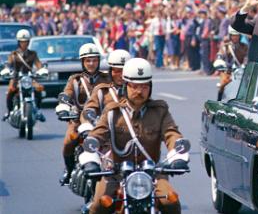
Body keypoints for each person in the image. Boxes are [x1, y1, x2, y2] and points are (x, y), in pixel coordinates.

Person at [80, 58, 189, 214]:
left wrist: (178, 156)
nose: (139, 91)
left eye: (144, 86)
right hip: (116, 174)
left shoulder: (160, 111)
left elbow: (172, 133)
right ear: (125, 86)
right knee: (99, 205)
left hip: (152, 175)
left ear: (150, 88)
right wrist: (91, 158)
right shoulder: (112, 112)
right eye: (135, 86)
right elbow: (97, 135)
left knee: (171, 201)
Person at [55, 43, 112, 185]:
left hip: (102, 120)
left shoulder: (107, 79)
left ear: (99, 61)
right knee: (69, 140)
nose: (91, 63)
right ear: (82, 62)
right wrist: (63, 106)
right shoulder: (75, 80)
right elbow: (66, 94)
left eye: (94, 60)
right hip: (78, 120)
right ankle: (68, 170)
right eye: (88, 60)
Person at [3, 29, 46, 122]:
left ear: (28, 42)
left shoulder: (33, 54)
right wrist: (7, 69)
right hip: (16, 78)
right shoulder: (13, 54)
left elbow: (38, 64)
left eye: (26, 41)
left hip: (29, 77)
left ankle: (38, 110)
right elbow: (9, 64)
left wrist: (42, 69)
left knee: (39, 89)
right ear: (19, 42)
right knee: (10, 91)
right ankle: (9, 112)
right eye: (22, 42)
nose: (24, 43)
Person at [79, 49, 131, 127]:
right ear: (110, 71)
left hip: (131, 132)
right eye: (117, 71)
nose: (121, 75)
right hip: (106, 132)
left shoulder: (136, 90)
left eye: (124, 71)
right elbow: (89, 109)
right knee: (71, 136)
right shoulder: (101, 91)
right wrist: (88, 120)